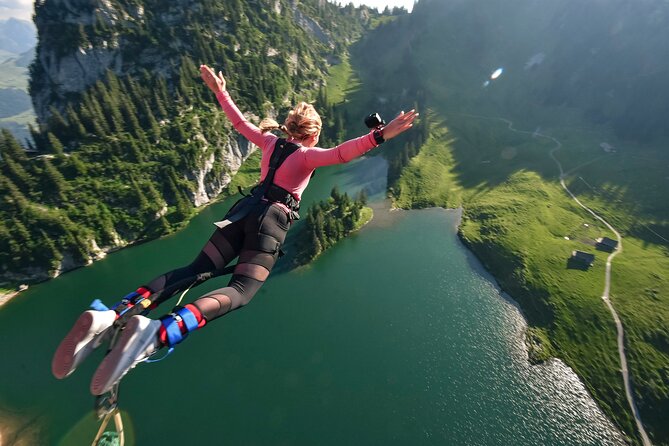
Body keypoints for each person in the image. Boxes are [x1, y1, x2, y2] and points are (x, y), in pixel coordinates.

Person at [52, 64, 418, 395]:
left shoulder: (270, 142)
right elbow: (341, 153)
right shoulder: (307, 156)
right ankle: (156, 332)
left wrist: (219, 90)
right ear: (312, 134)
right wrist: (380, 136)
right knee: (241, 290)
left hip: (241, 211)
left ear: (289, 127)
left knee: (193, 270)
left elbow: (239, 122)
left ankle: (112, 315)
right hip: (270, 222)